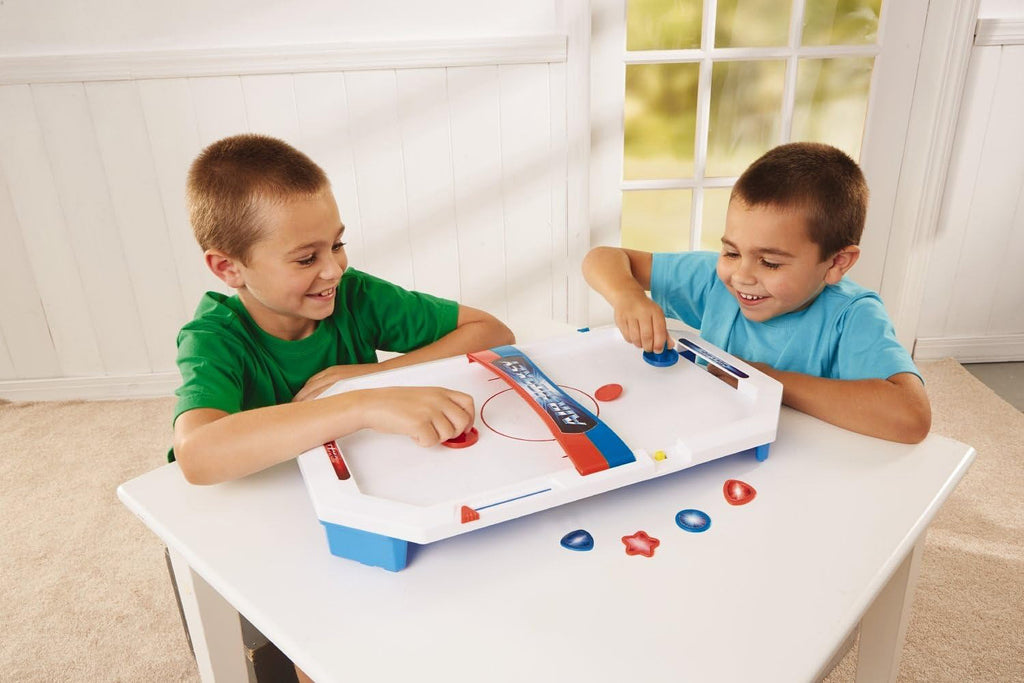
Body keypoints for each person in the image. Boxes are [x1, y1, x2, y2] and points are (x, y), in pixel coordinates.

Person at [172, 133, 515, 486]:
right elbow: (197, 456)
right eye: (306, 259)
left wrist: (375, 375)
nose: (334, 270)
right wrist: (360, 404)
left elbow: (493, 333)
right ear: (228, 268)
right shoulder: (212, 340)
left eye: (337, 244)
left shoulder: (356, 295)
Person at [582, 142, 931, 444]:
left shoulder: (853, 315)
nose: (741, 276)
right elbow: (602, 258)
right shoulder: (716, 281)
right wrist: (628, 295)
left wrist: (763, 379)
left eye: (770, 263)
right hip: (711, 444)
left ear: (837, 262)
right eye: (731, 252)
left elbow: (911, 416)